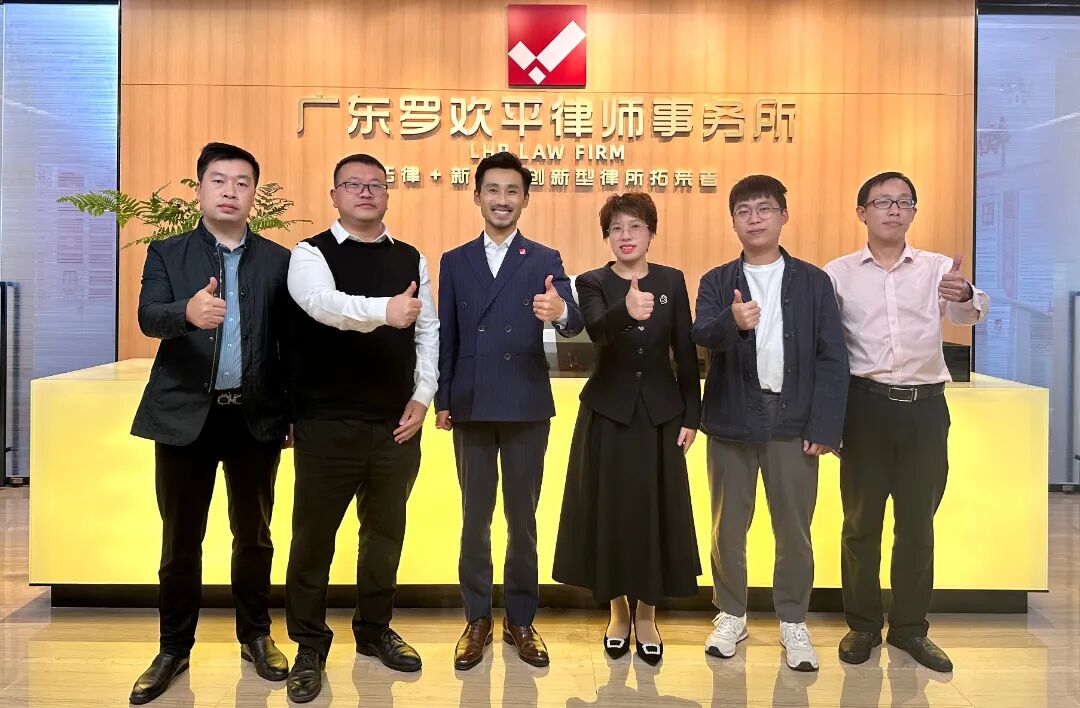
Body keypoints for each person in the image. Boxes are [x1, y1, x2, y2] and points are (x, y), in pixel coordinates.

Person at [128, 142, 292, 704]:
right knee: (180, 540)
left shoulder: (278, 261)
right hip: (184, 420)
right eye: (219, 180)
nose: (230, 191)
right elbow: (149, 317)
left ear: (254, 196)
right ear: (199, 189)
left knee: (255, 536)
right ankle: (173, 648)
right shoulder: (167, 253)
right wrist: (187, 313)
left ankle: (256, 636)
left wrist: (291, 413)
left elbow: (289, 345)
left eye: (242, 183)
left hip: (254, 418)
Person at [283, 153, 438, 703]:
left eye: (376, 184)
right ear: (335, 196)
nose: (366, 192)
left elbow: (428, 330)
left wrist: (423, 395)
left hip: (396, 424)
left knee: (384, 538)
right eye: (354, 184)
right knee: (313, 540)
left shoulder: (411, 257)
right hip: (326, 422)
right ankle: (309, 645)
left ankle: (374, 631)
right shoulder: (309, 253)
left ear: (388, 194)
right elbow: (321, 304)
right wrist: (384, 311)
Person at [824, 171, 989, 673]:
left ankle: (911, 629)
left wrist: (964, 294)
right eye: (883, 202)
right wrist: (828, 419)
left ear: (913, 212)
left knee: (918, 525)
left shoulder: (939, 269)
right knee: (860, 524)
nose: (894, 209)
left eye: (904, 202)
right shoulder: (838, 274)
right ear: (862, 213)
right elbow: (826, 349)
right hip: (865, 407)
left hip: (925, 410)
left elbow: (969, 316)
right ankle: (862, 625)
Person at [692, 175, 848, 673]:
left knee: (794, 529)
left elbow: (833, 358)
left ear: (783, 216)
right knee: (727, 527)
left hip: (793, 420)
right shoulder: (717, 281)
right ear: (733, 222)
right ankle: (730, 614)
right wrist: (732, 322)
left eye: (764, 209)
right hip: (730, 419)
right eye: (744, 211)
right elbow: (701, 334)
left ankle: (793, 620)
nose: (754, 218)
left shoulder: (813, 282)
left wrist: (825, 426)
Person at [435, 151, 583, 670]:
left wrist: (559, 311)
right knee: (474, 518)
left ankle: (521, 619)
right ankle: (476, 618)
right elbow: (448, 334)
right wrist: (444, 398)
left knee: (523, 519)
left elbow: (573, 318)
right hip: (472, 403)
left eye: (512, 191)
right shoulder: (455, 260)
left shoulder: (543, 258)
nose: (502, 199)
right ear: (477, 196)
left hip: (524, 403)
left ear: (525, 199)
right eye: (493, 190)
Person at [552, 192, 701, 666]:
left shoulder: (672, 280)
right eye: (616, 228)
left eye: (635, 226)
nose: (626, 236)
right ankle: (618, 613)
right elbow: (596, 331)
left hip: (660, 415)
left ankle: (648, 616)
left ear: (651, 233)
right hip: (608, 414)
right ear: (607, 237)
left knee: (654, 515)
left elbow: (684, 351)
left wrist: (692, 416)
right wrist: (627, 309)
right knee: (611, 515)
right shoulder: (592, 281)